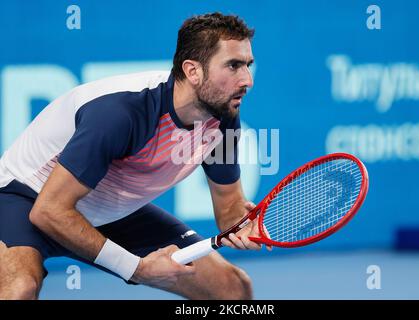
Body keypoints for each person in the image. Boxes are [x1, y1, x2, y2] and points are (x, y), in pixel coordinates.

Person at [0, 12, 268, 300]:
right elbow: (48, 211)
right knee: (19, 290)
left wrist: (244, 225)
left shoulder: (222, 117)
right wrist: (137, 268)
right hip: (26, 199)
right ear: (193, 71)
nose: (247, 80)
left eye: (248, 65)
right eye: (233, 66)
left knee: (232, 290)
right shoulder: (120, 114)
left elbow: (229, 210)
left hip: (109, 209)